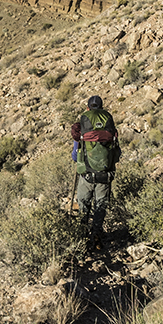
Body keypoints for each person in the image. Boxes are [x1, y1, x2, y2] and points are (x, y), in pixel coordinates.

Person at [71, 95, 120, 247]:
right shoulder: (110, 126)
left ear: (88, 108)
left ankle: (83, 236)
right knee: (100, 206)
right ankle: (97, 236)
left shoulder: (82, 130)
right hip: (105, 175)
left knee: (83, 204)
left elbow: (74, 156)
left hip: (86, 175)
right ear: (101, 107)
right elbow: (117, 155)